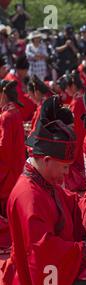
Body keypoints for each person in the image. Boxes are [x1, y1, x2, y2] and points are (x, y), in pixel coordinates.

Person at [5, 119, 86, 285]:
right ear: (46, 160)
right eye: (64, 167)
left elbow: (70, 200)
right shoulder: (28, 195)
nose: (67, 173)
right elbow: (43, 250)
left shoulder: (43, 183)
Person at [0, 80, 26, 218]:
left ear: (3, 95)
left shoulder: (6, 116)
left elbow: (4, 149)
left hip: (8, 172)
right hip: (17, 167)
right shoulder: (14, 112)